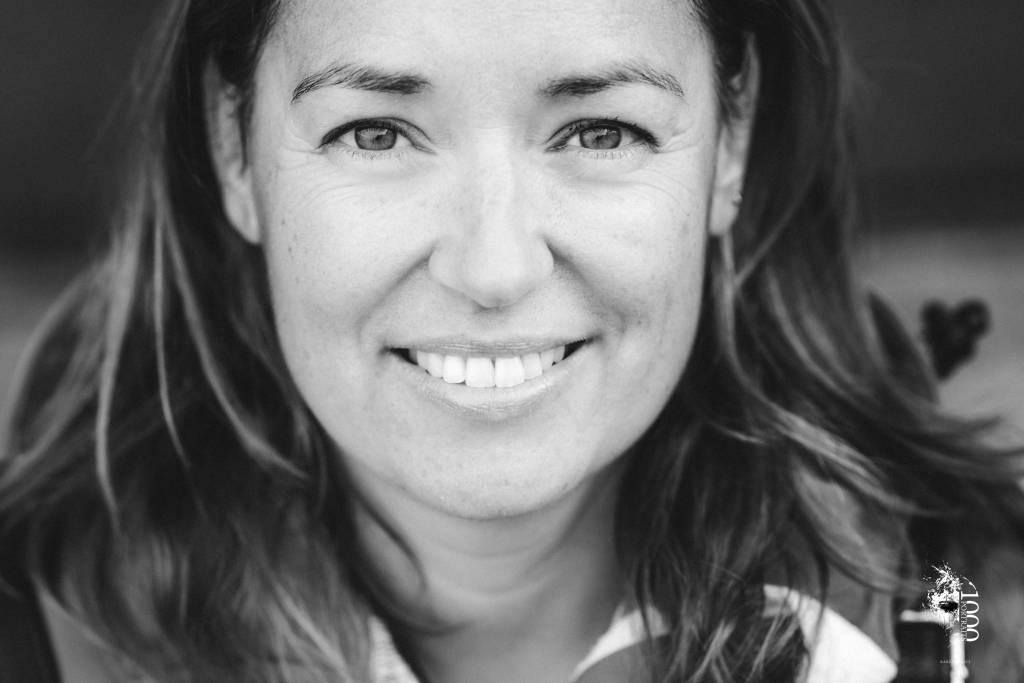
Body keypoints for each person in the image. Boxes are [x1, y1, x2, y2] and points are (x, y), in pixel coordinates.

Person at [1, 0, 1022, 681]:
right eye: (375, 132)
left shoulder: (973, 619)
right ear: (234, 146)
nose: (492, 269)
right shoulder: (33, 635)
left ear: (731, 141)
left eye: (600, 131)